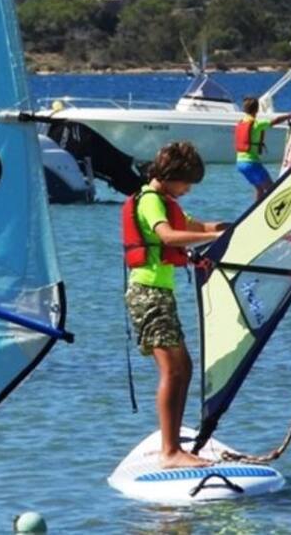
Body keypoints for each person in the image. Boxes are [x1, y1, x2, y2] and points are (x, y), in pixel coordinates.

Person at [122, 141, 227, 469]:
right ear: (171, 176)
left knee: (184, 368)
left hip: (159, 294)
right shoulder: (151, 202)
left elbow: (198, 227)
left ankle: (173, 444)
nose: (188, 190)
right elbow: (168, 237)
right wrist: (209, 240)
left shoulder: (165, 201)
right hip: (148, 293)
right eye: (187, 183)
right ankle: (170, 452)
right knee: (173, 370)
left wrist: (229, 229)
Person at [234, 97, 291, 201]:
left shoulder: (241, 123)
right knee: (272, 189)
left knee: (259, 189)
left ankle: (255, 213)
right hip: (251, 163)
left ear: (245, 109)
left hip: (240, 163)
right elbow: (276, 121)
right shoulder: (257, 124)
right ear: (257, 110)